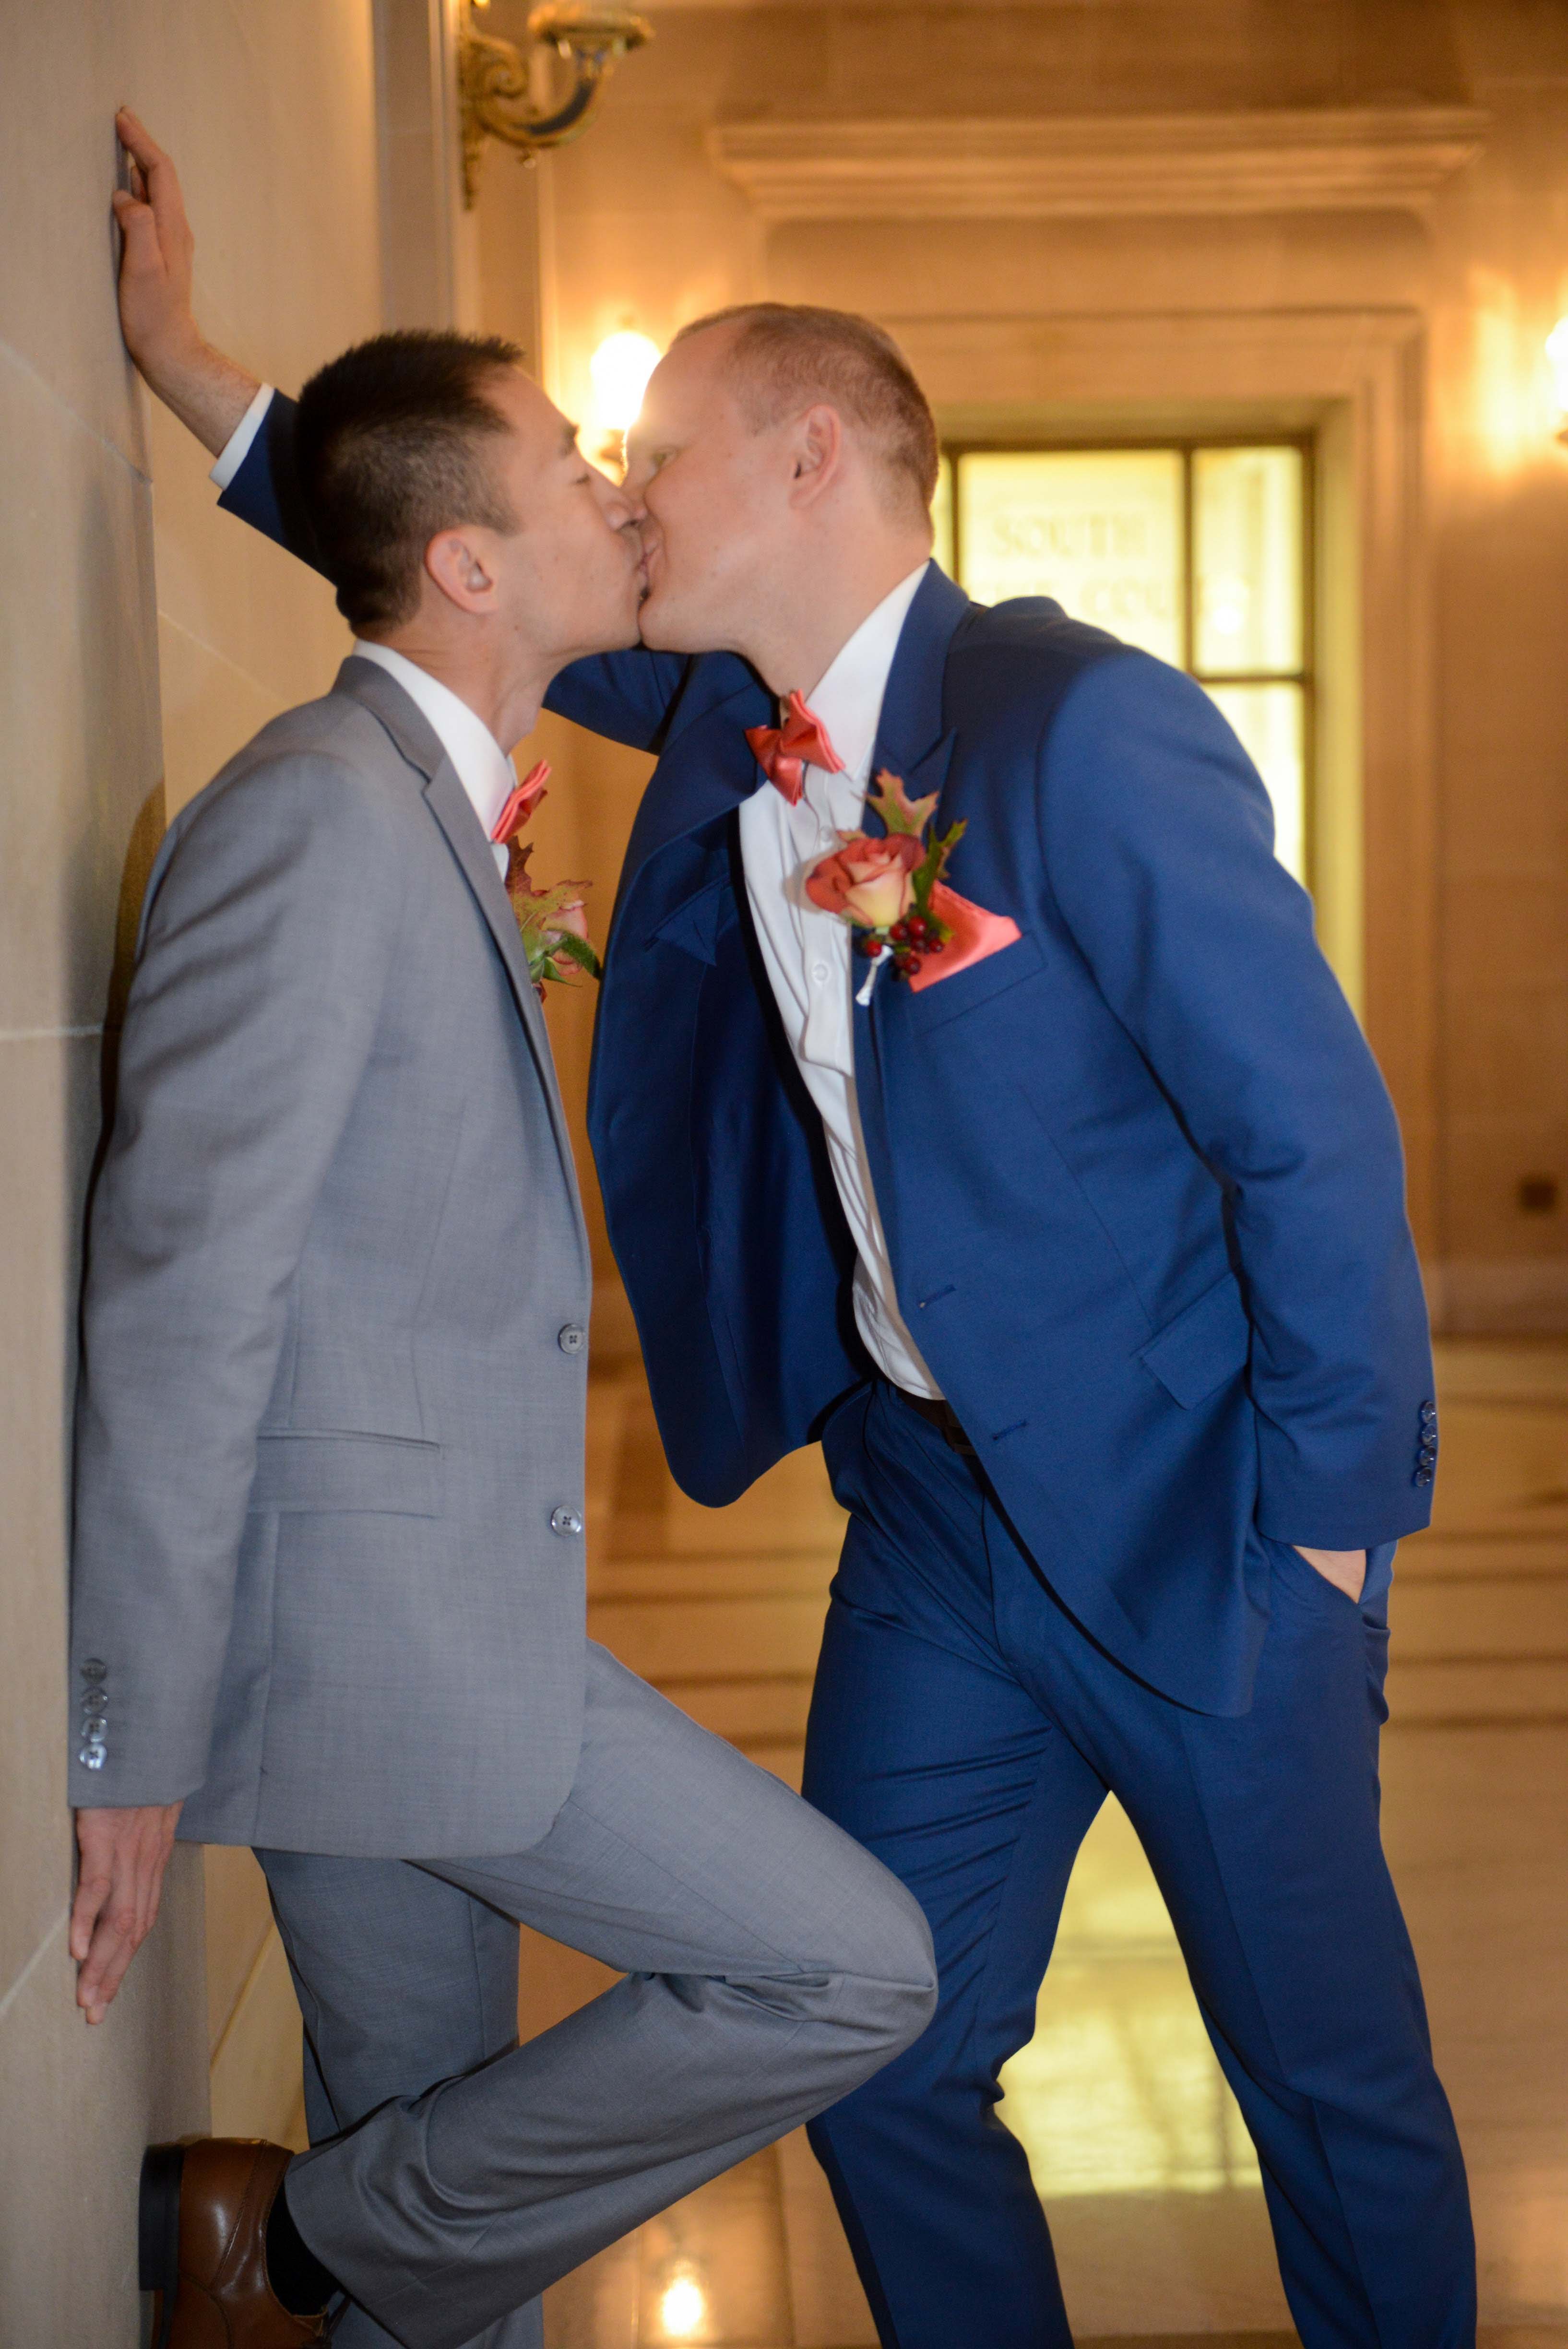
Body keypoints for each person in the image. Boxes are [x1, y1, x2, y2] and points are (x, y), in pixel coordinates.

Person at [112, 109, 1476, 2349]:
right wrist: (187, 374)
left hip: (1201, 1526)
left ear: (814, 459)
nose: (625, 498)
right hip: (934, 1532)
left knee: (1325, 2087)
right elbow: (447, 554)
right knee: (888, 2050)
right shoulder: (733, 724)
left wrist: (1324, 1533)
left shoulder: (1078, 728)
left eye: (659, 452)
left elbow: (1310, 1142)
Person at [71, 297, 936, 2348]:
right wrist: (128, 1733)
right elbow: (183, 1293)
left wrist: (200, 364)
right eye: (573, 472)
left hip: (437, 1640)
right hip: (383, 1657)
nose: (616, 496)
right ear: (470, 566)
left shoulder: (424, 799)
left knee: (453, 2208)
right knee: (847, 1965)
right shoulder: (318, 814)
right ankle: (281, 2242)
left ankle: (324, 2239)